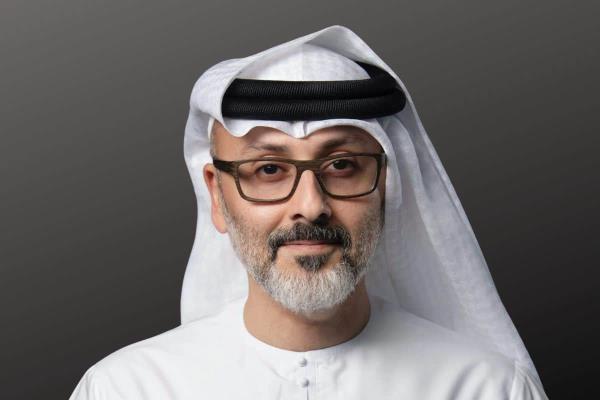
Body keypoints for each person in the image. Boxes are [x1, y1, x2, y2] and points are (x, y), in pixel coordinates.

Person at [69, 25, 548, 399]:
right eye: (269, 169)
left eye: (341, 166)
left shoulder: (486, 389)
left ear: (387, 183)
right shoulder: (127, 390)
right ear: (217, 195)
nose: (310, 206)